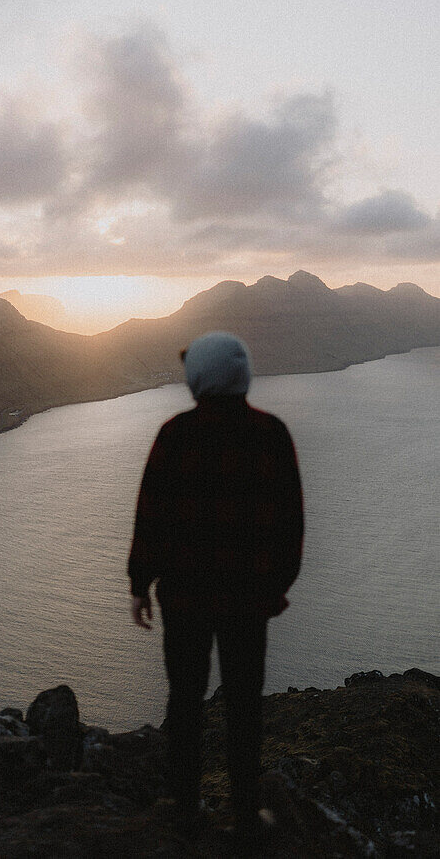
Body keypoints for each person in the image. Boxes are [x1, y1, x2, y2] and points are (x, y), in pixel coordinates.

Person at [128, 332, 304, 847]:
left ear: (199, 378)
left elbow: (151, 518)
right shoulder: (270, 433)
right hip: (248, 602)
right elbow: (291, 523)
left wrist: (140, 585)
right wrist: (275, 586)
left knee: (184, 702)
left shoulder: (175, 435)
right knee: (244, 707)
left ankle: (186, 812)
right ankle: (246, 819)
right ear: (241, 375)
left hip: (183, 600)